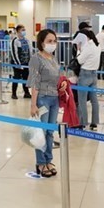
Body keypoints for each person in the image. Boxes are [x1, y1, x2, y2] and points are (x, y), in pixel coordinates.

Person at [28, 29, 66, 178]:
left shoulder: (53, 58)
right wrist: (33, 104)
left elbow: (57, 76)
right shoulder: (36, 59)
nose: (52, 44)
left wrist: (61, 84)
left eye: (54, 41)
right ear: (41, 42)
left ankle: (48, 159)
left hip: (54, 98)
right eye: (49, 41)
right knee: (41, 133)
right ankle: (40, 162)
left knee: (50, 132)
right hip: (42, 98)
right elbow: (34, 82)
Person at [76, 29, 100, 130]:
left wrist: (78, 50)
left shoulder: (87, 47)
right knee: (94, 101)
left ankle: (82, 122)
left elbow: (79, 60)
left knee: (82, 101)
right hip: (94, 74)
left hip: (85, 74)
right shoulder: (96, 46)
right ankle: (94, 123)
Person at [9, 24, 32, 99]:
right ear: (18, 31)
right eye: (22, 30)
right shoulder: (14, 41)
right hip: (17, 64)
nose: (24, 31)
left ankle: (26, 93)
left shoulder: (27, 40)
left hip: (26, 63)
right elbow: (14, 53)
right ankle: (14, 93)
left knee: (26, 78)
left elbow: (30, 52)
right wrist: (18, 64)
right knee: (16, 77)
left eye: (24, 30)